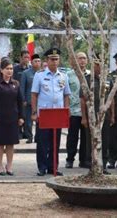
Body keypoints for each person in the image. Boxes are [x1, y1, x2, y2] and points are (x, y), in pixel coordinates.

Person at [31, 48, 71, 176]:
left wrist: (66, 110)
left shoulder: (63, 76)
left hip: (58, 113)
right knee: (42, 141)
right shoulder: (40, 75)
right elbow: (34, 95)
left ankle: (53, 167)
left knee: (55, 142)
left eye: (56, 59)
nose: (54, 62)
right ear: (47, 61)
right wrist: (34, 112)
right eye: (52, 59)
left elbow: (66, 95)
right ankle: (42, 167)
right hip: (44, 113)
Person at [0, 58, 24, 176]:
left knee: (11, 143)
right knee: (0, 143)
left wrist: (21, 117)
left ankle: (9, 166)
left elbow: (20, 102)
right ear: (2, 70)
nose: (10, 71)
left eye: (11, 68)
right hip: (0, 118)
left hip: (13, 117)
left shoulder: (16, 84)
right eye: (7, 69)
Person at [80, 55, 114, 174]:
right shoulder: (88, 79)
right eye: (96, 64)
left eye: (101, 64)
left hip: (105, 115)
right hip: (91, 116)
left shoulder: (108, 79)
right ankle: (91, 164)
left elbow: (111, 98)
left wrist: (113, 115)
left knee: (105, 140)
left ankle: (103, 165)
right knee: (91, 141)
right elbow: (83, 99)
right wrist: (84, 117)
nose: (98, 67)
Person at [65, 52, 91, 168]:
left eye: (84, 58)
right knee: (72, 137)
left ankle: (84, 160)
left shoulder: (90, 75)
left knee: (86, 138)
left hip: (87, 111)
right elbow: (65, 94)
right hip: (73, 111)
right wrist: (67, 109)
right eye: (80, 58)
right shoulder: (68, 75)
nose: (82, 61)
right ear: (75, 60)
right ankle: (70, 159)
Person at [20, 54, 41, 143]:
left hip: (40, 101)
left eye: (39, 61)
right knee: (28, 121)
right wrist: (23, 99)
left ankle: (38, 137)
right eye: (35, 61)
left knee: (39, 120)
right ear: (31, 63)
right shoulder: (26, 73)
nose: (37, 63)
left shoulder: (42, 73)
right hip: (28, 101)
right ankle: (29, 136)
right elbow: (22, 87)